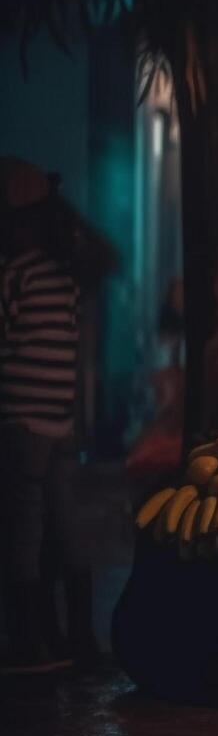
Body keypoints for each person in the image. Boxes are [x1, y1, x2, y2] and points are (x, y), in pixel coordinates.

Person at [0, 157, 97, 672]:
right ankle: (77, 639)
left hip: (22, 421)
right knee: (67, 526)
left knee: (24, 532)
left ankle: (27, 643)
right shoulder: (66, 279)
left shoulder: (14, 275)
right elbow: (74, 351)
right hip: (59, 420)